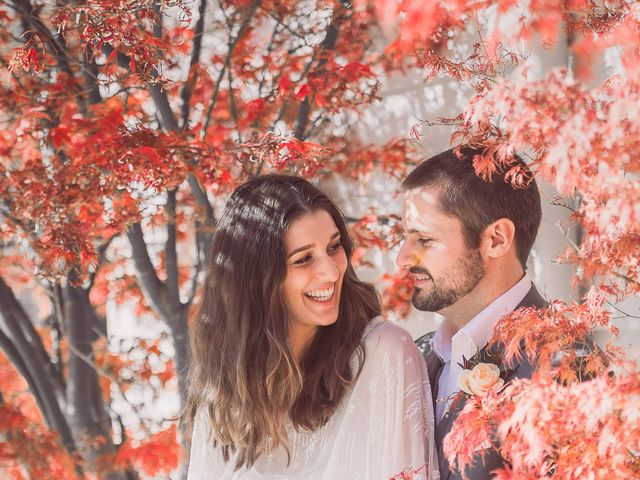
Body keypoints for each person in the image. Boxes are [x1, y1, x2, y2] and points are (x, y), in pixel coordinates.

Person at [186, 174, 438, 479]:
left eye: (334, 247)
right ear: (255, 281)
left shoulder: (383, 353)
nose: (331, 272)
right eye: (303, 259)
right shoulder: (226, 385)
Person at [396, 146, 545, 480]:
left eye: (423, 239)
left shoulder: (562, 367)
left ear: (495, 239)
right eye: (404, 237)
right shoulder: (413, 358)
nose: (402, 259)